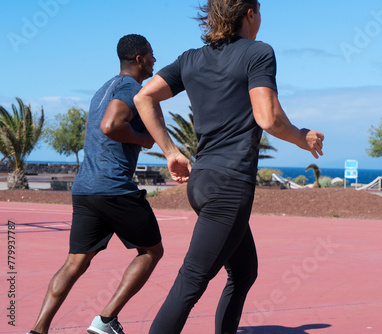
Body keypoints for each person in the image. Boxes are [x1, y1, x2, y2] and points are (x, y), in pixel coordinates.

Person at [134, 1, 324, 333]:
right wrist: (302, 137)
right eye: (260, 11)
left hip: (202, 184)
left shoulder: (191, 58)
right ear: (250, 14)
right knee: (191, 282)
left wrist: (170, 152)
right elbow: (268, 118)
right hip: (228, 187)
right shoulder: (258, 53)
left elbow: (143, 97)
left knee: (244, 270)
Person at [28, 34, 190, 334]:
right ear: (139, 59)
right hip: (113, 188)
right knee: (152, 252)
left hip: (85, 189)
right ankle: (105, 321)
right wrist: (143, 139)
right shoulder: (130, 88)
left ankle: (37, 330)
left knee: (74, 263)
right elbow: (110, 125)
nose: (155, 60)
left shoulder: (104, 88)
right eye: (151, 55)